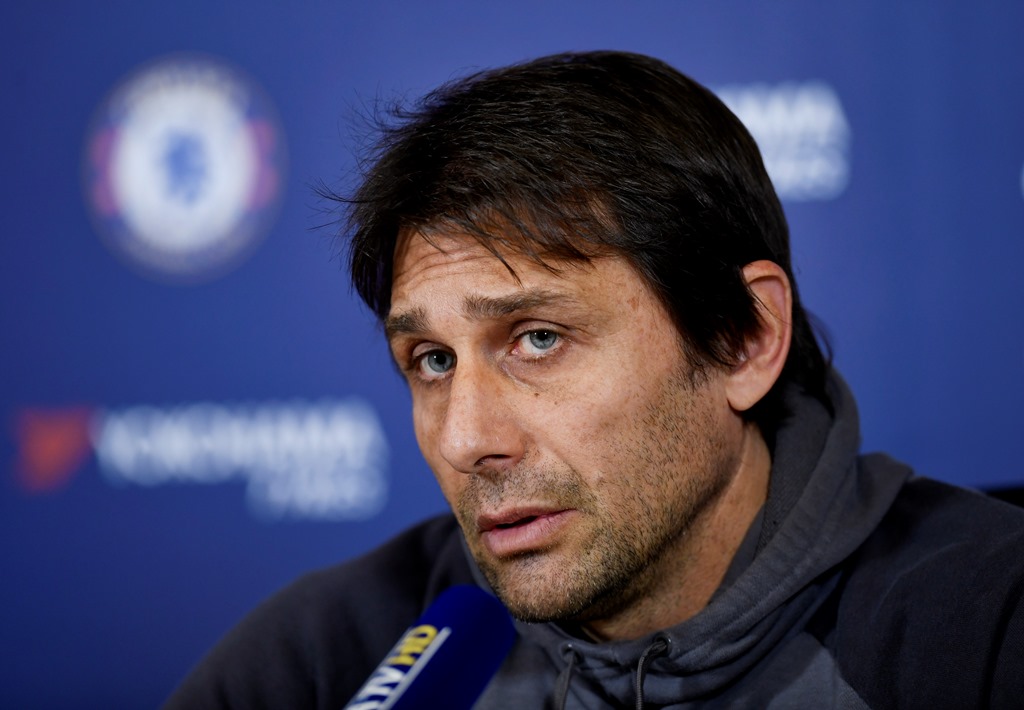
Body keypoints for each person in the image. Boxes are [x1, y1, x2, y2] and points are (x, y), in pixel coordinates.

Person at [166, 51, 1024, 709]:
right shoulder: (326, 657)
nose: (467, 439)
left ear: (746, 339)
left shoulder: (982, 630)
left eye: (538, 338)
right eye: (432, 361)